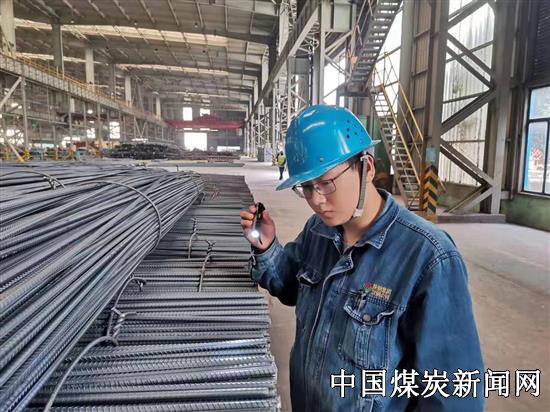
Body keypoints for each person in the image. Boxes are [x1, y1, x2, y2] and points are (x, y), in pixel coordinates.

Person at [240, 105, 484, 411]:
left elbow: (454, 394)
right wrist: (267, 248)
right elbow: (290, 287)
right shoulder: (318, 230)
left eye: (326, 183)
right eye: (306, 187)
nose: (316, 200)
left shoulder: (428, 256)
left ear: (367, 168)